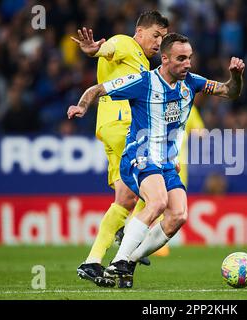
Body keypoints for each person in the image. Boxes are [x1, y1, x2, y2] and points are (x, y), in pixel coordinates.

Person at [67, 33, 245, 288]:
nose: (188, 64)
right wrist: (82, 107)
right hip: (139, 155)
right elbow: (97, 89)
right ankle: (118, 261)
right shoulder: (143, 82)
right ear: (165, 59)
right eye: (181, 59)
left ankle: (129, 260)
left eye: (190, 58)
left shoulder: (191, 83)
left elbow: (229, 91)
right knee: (158, 201)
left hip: (166, 163)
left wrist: (236, 76)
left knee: (179, 215)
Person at [71, 11, 169, 287]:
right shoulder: (126, 43)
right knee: (155, 185)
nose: (159, 42)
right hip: (123, 127)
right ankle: (128, 234)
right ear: (140, 32)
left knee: (124, 200)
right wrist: (95, 49)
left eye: (163, 38)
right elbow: (108, 49)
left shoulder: (143, 65)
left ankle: (92, 261)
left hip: (111, 128)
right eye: (156, 35)